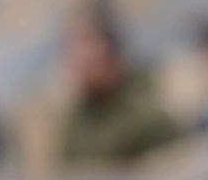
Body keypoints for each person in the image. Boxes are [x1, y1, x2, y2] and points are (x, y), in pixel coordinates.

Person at [54, 10, 181, 169]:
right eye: (75, 61)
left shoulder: (146, 113)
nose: (81, 70)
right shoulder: (77, 119)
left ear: (112, 55)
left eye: (90, 62)